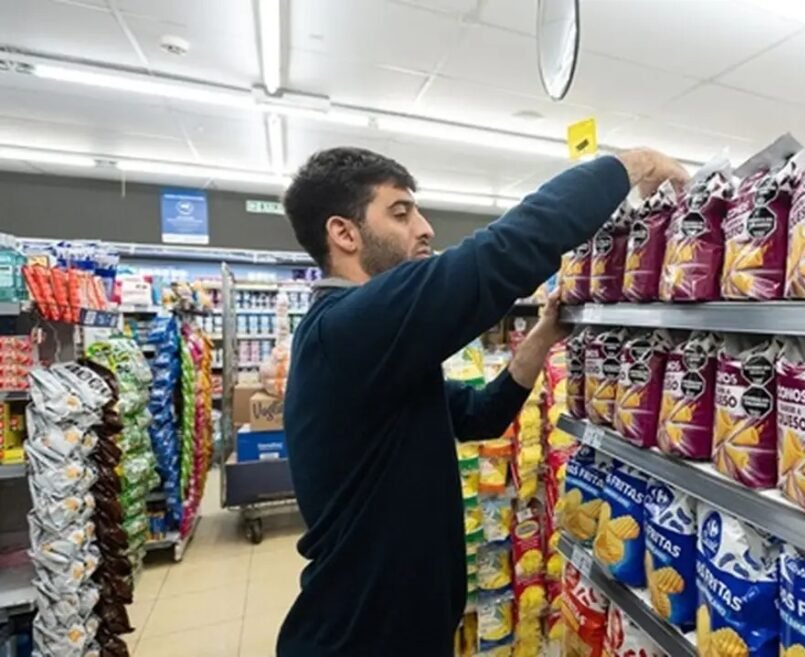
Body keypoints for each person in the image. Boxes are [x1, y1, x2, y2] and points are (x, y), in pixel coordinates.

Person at [275, 146, 689, 656]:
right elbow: (497, 255)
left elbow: (480, 415)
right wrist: (632, 164)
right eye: (401, 213)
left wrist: (544, 334)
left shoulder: (367, 351)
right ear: (344, 233)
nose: (425, 228)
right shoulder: (346, 329)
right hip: (358, 641)